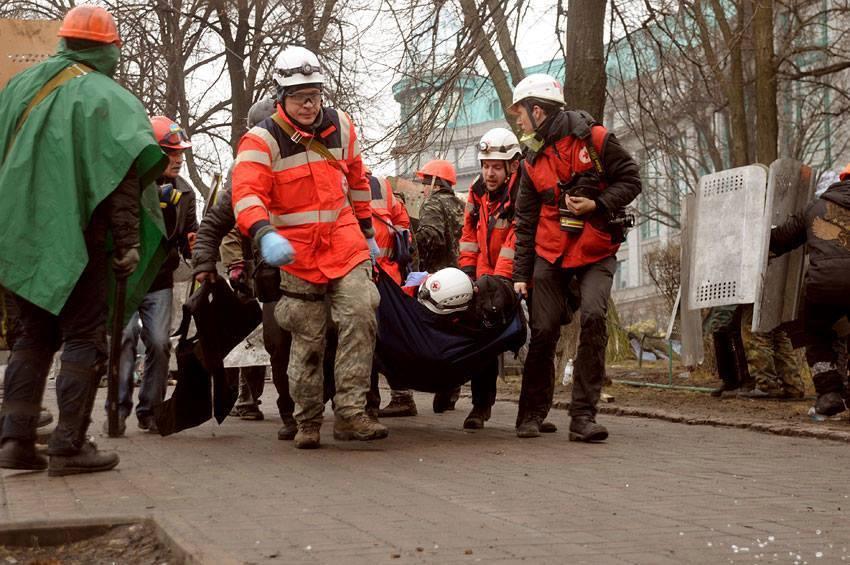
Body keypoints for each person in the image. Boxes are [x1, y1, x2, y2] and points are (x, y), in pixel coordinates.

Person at [0, 5, 167, 475]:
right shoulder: (107, 98)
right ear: (108, 47)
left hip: (17, 233)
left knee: (32, 337)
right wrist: (129, 241)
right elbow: (123, 178)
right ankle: (69, 445)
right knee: (84, 336)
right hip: (78, 235)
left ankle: (15, 439)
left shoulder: (17, 87)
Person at [232, 46, 387, 449]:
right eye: (299, 95)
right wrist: (264, 233)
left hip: (343, 243)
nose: (308, 103)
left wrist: (367, 232)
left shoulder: (343, 127)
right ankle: (308, 421)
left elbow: (356, 180)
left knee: (360, 312)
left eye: (314, 94)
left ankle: (352, 414)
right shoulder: (260, 140)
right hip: (296, 254)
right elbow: (246, 194)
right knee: (308, 337)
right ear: (280, 96)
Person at [510, 74, 641, 441]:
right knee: (544, 328)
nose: (518, 121)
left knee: (595, 318)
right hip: (549, 252)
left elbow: (631, 180)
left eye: (520, 113)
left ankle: (583, 416)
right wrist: (521, 274)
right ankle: (531, 414)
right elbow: (525, 220)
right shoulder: (530, 158)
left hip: (596, 248)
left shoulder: (594, 138)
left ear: (538, 110)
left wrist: (597, 204)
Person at [193, 97, 304, 440]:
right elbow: (214, 223)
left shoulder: (311, 159)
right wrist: (205, 263)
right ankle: (291, 413)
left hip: (319, 268)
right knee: (277, 341)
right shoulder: (245, 173)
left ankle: (337, 406)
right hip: (273, 276)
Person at [111, 115, 198, 435]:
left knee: (160, 343)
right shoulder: (127, 184)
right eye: (170, 152)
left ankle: (150, 409)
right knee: (125, 337)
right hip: (126, 278)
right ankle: (117, 409)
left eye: (181, 153)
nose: (178, 159)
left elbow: (190, 235)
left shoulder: (185, 194)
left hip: (159, 280)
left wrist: (197, 255)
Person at [455, 128, 523, 430]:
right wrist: (469, 273)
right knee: (482, 337)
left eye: (496, 166)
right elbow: (468, 234)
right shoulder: (477, 190)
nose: (489, 173)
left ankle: (533, 411)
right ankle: (480, 406)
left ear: (512, 166)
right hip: (485, 273)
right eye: (485, 165)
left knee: (534, 339)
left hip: (516, 278)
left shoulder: (524, 193)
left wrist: (500, 282)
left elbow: (517, 239)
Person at [769, 163, 850, 417]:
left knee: (815, 332)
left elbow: (781, 238)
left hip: (822, 285)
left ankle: (829, 395)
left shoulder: (815, 207)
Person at [364, 170, 419, 418]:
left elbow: (402, 222)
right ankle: (385, 399)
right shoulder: (380, 185)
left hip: (379, 275)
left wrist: (398, 245)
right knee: (377, 340)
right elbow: (402, 222)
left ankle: (379, 401)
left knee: (376, 340)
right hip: (380, 275)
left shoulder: (378, 185)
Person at [415, 159, 466, 412]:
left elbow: (431, 237)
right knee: (456, 336)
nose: (423, 187)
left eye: (425, 182)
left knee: (435, 336)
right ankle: (452, 388)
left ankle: (443, 386)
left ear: (435, 183)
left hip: (440, 282)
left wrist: (412, 244)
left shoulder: (433, 203)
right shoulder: (460, 205)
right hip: (464, 278)